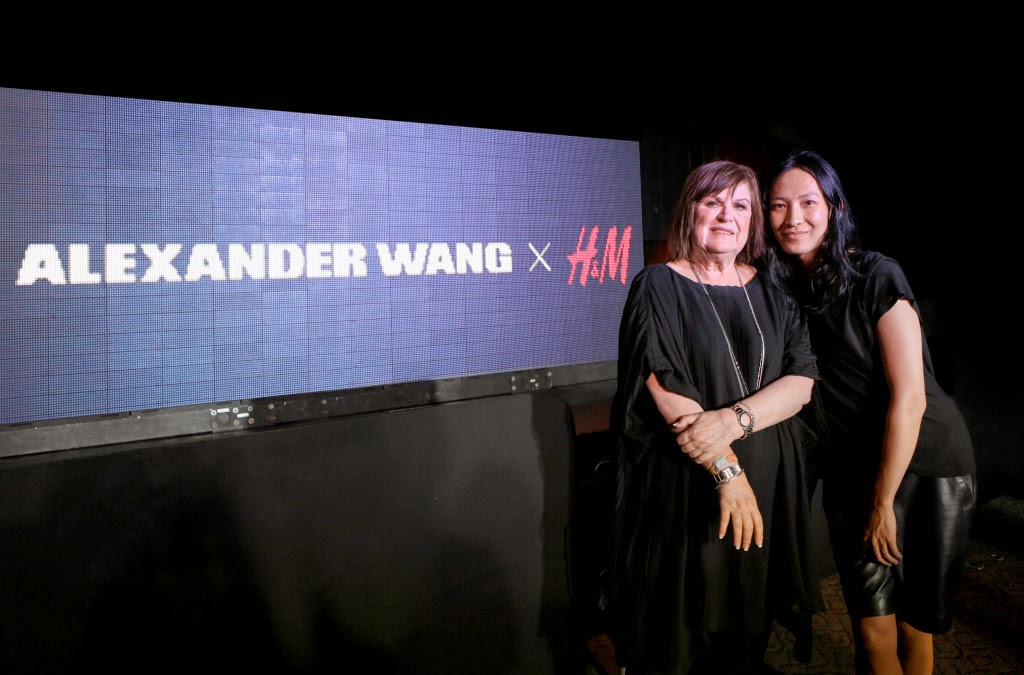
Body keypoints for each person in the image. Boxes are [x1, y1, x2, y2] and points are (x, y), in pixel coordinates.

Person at [763, 149, 977, 674]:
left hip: (925, 465)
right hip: (851, 470)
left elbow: (911, 397)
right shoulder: (781, 288)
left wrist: (882, 503)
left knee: (913, 626)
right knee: (871, 630)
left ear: (834, 208)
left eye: (808, 202)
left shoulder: (876, 273)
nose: (793, 218)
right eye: (778, 205)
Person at [609, 160, 824, 674]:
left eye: (741, 206)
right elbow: (665, 385)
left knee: (747, 636)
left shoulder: (773, 290)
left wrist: (733, 422)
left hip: (768, 489)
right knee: (688, 638)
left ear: (753, 221)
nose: (727, 215)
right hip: (692, 488)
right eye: (713, 202)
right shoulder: (657, 284)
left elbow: (802, 382)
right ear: (690, 211)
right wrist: (728, 473)